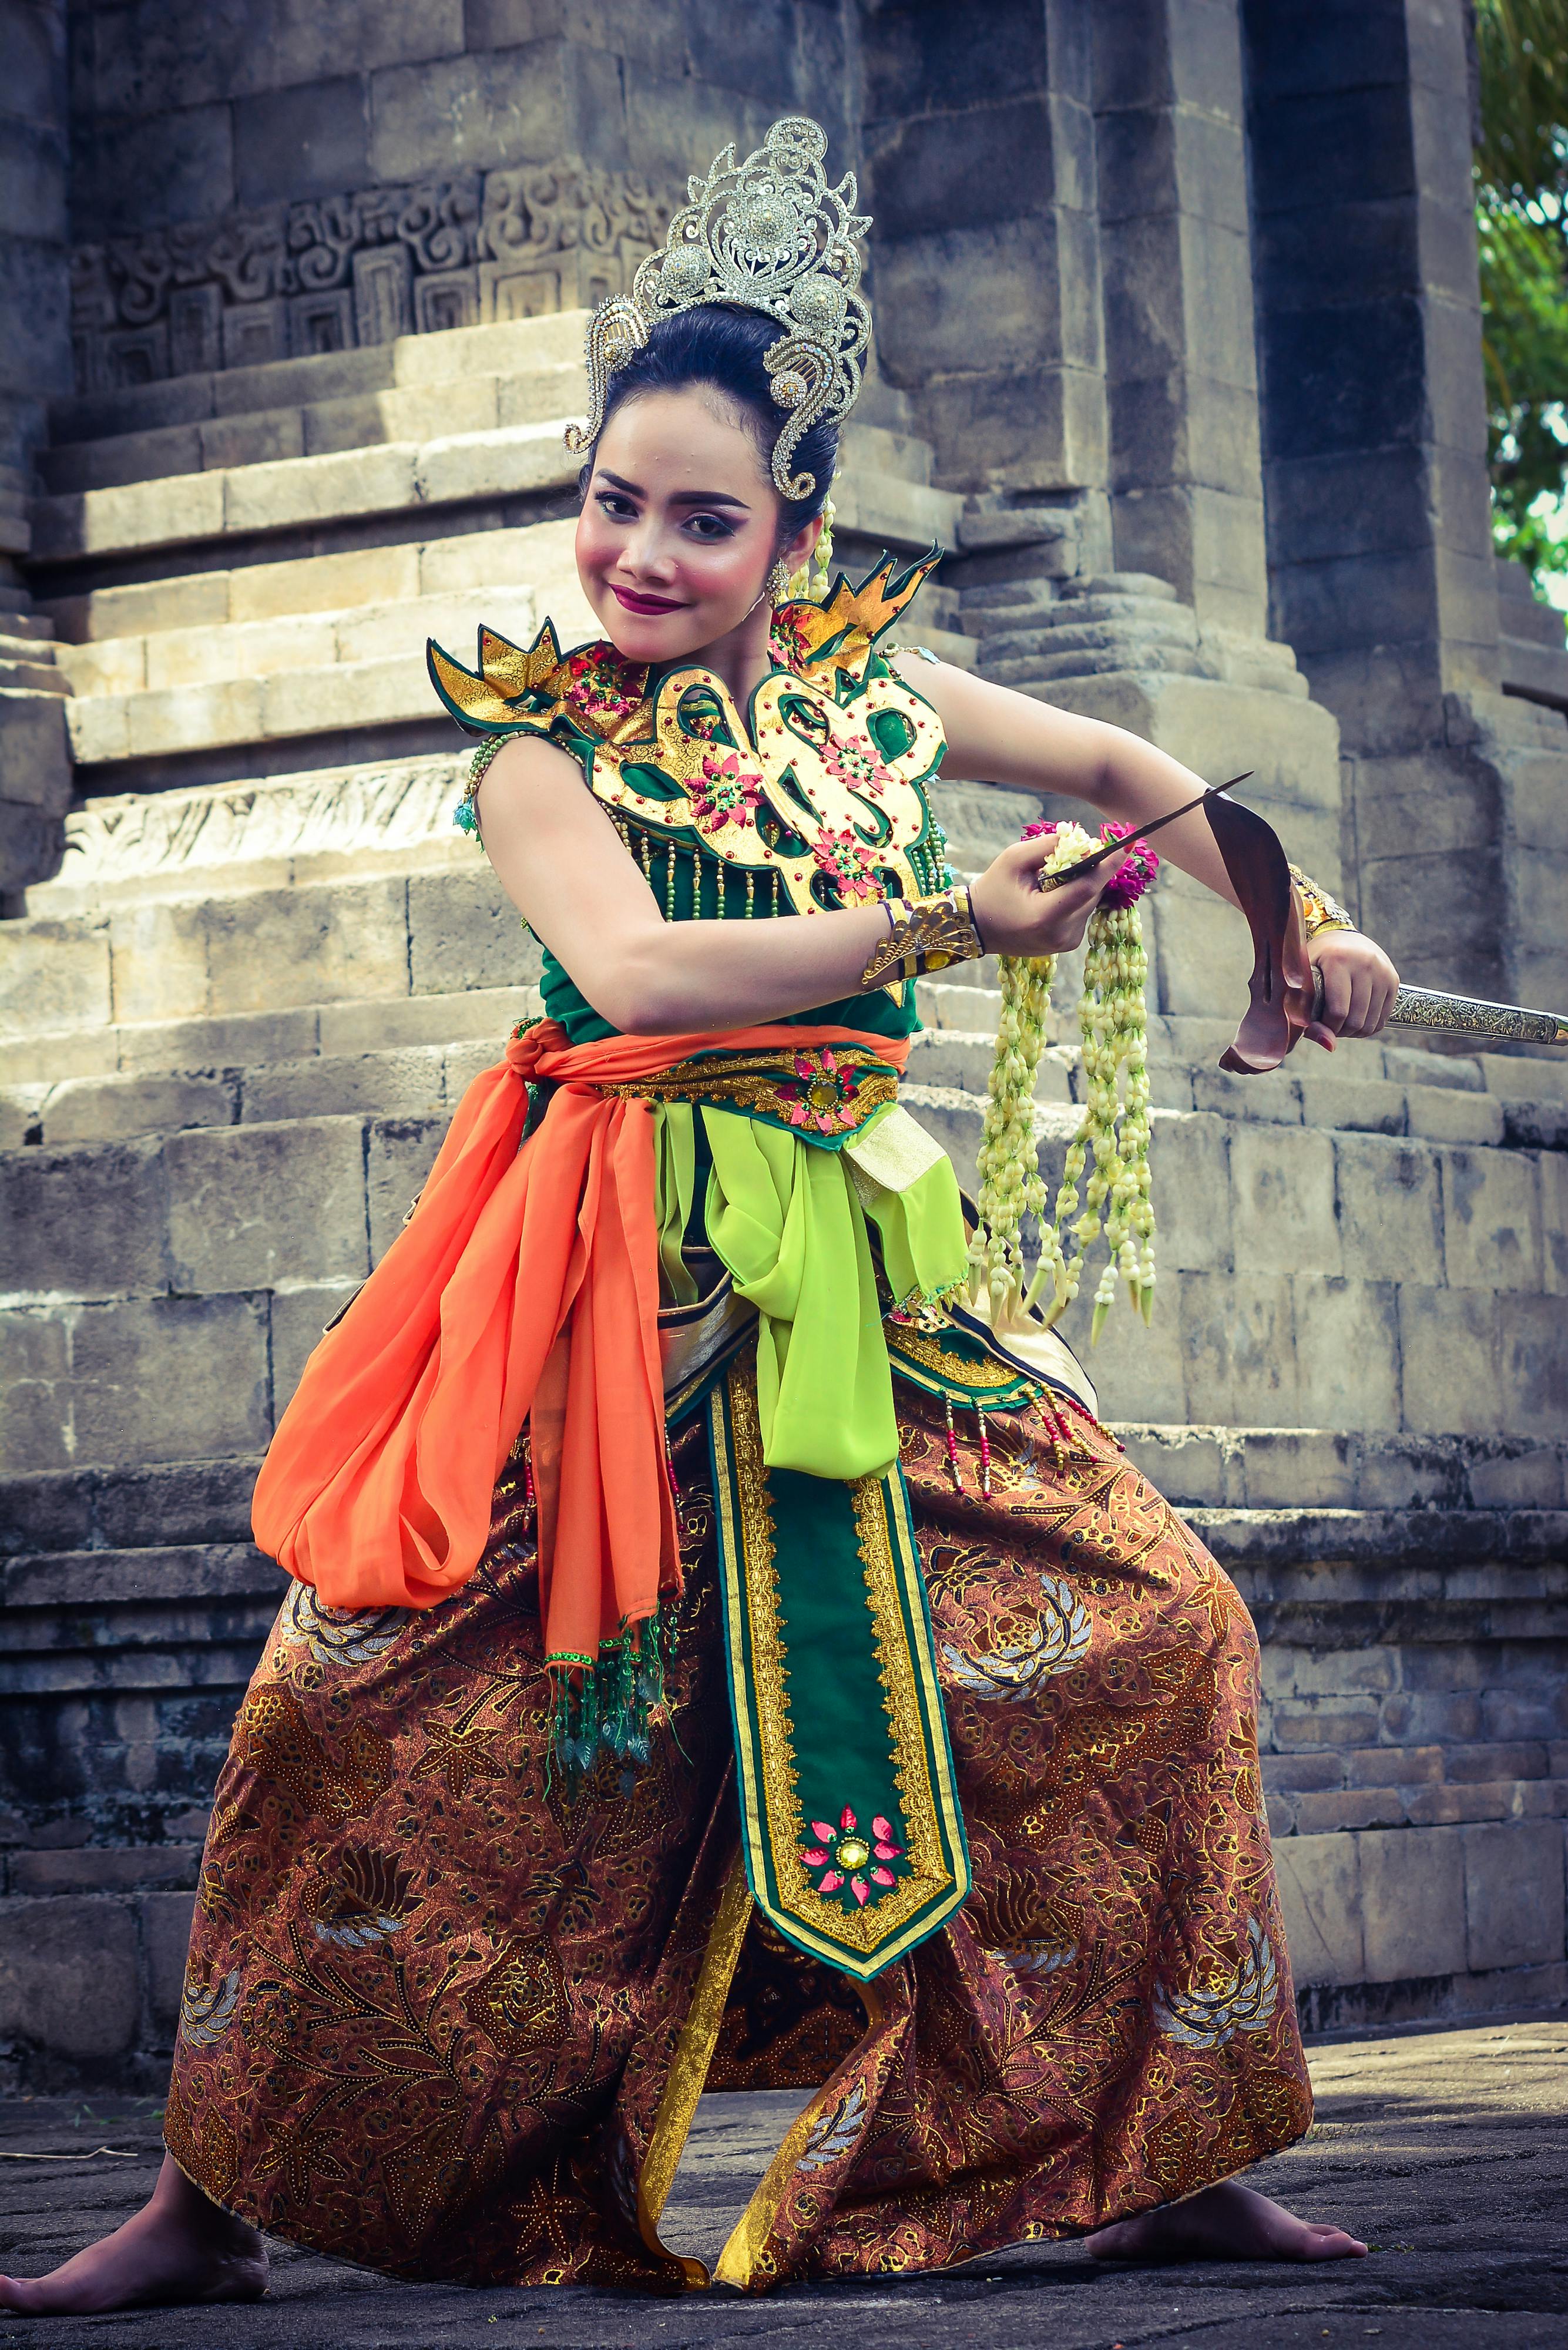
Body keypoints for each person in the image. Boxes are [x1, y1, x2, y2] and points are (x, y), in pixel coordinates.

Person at [1, 116, 1395, 2318]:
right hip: (608, 1292)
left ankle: (1158, 2141)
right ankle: (205, 2208)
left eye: (701, 517)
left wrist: (1305, 928)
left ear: (796, 528)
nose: (639, 553)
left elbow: (1143, 779)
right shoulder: (540, 749)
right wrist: (945, 920)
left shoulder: (873, 698)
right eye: (611, 501)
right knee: (327, 1714)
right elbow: (643, 981)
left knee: (1168, 1634)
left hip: (867, 1278)